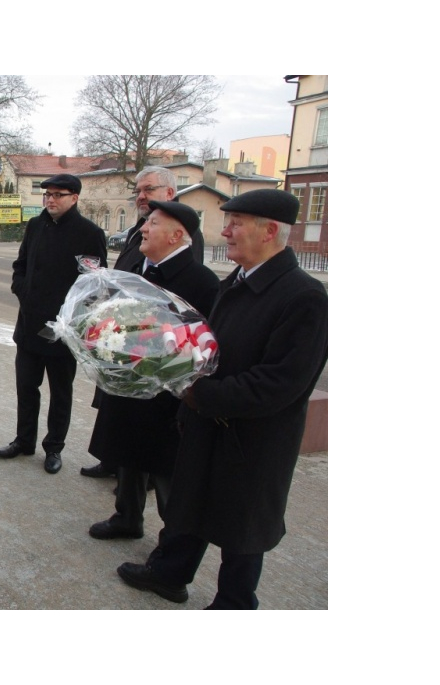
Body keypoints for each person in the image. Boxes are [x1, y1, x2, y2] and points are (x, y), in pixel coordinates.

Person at [116, 189, 328, 609]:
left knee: (242, 527)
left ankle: (234, 602)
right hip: (207, 420)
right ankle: (170, 573)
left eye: (235, 224)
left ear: (269, 231)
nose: (224, 232)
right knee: (191, 503)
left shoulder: (304, 296)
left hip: (254, 438)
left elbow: (280, 383)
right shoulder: (238, 280)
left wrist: (201, 393)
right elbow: (210, 347)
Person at [86, 202, 219, 542]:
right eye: (145, 222)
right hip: (128, 385)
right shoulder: (138, 268)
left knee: (165, 472)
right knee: (128, 456)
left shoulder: (200, 281)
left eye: (153, 223)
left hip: (167, 396)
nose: (143, 228)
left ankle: (173, 540)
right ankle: (126, 517)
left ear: (177, 236)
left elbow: (202, 341)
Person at [81, 166, 204, 479]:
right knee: (122, 432)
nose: (141, 196)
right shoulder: (140, 229)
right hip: (128, 351)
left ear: (169, 193)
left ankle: (136, 484)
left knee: (148, 449)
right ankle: (119, 477)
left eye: (148, 189)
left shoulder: (187, 237)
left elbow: (181, 312)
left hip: (152, 362)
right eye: (138, 191)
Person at [0, 174, 107, 474]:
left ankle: (54, 448)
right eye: (47, 195)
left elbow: (94, 284)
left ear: (74, 198)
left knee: (61, 392)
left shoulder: (89, 233)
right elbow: (20, 265)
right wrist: (22, 289)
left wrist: (72, 319)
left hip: (62, 331)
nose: (51, 200)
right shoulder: (35, 226)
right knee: (26, 387)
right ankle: (24, 440)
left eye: (58, 194)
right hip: (30, 325)